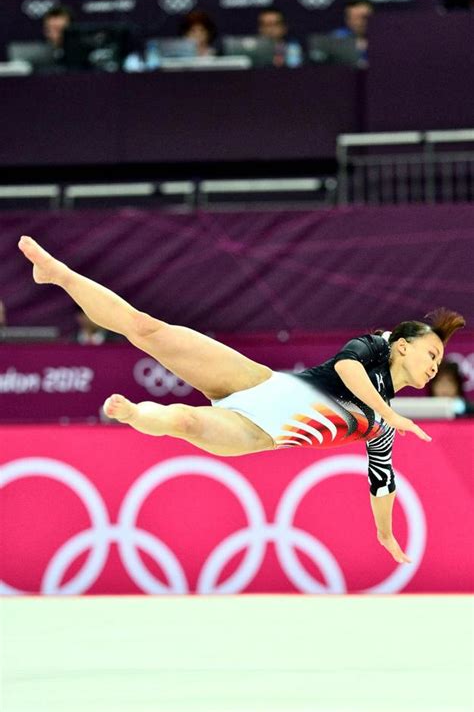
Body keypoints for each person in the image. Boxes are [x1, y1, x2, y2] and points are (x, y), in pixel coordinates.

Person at [18, 235, 465, 565]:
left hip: (258, 432)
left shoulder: (382, 429)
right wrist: (389, 414)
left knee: (188, 424)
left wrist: (386, 535)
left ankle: (135, 414)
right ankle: (59, 274)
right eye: (432, 353)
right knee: (147, 328)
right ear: (403, 346)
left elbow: (381, 480)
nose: (434, 365)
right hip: (255, 381)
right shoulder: (370, 350)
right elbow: (347, 372)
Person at [331, 0, 374, 67]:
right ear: (348, 20)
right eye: (356, 18)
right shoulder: (337, 37)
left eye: (365, 17)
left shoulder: (386, 37)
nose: (362, 22)